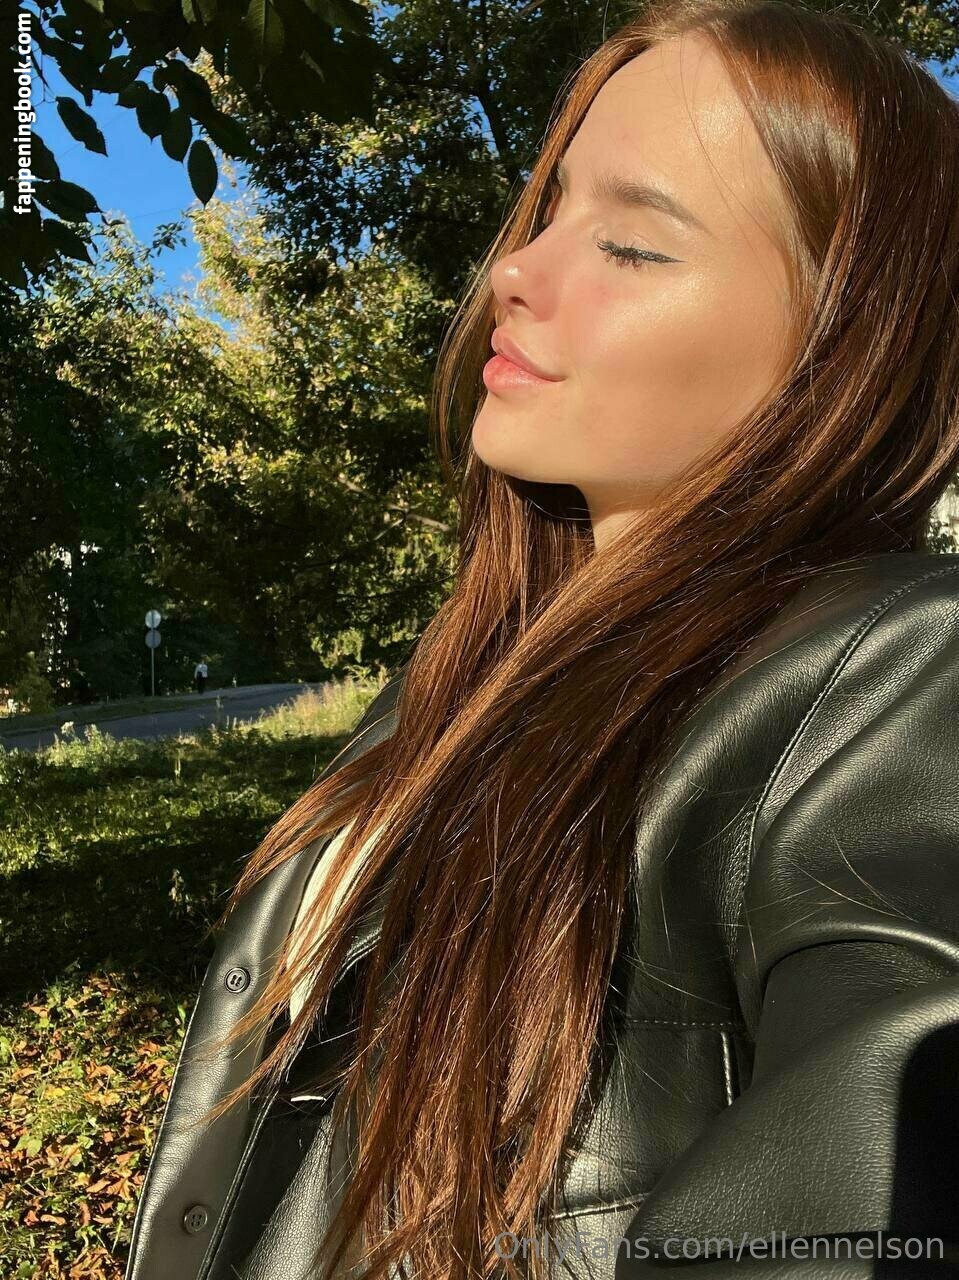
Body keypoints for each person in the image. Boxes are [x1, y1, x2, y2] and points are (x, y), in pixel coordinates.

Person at [123, 4, 959, 1279]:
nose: (513, 268)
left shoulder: (890, 674)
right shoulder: (470, 674)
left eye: (629, 242)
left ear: (845, 340)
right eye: (553, 206)